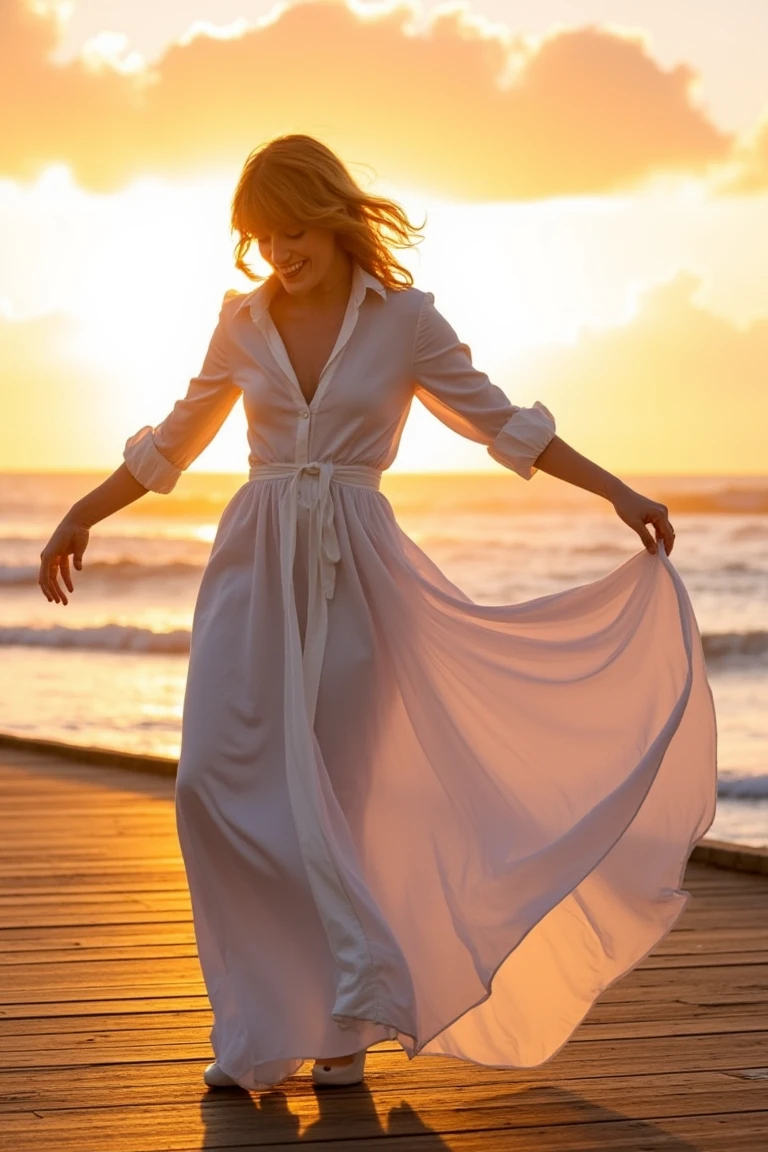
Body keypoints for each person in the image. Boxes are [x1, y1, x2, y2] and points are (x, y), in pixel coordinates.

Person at [38, 134, 716, 1092]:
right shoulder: (240, 321)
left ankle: (346, 1024)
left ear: (333, 213)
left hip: (354, 570)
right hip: (251, 567)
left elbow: (499, 421)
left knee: (341, 796)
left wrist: (619, 493)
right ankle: (259, 1024)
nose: (280, 252)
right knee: (210, 789)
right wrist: (79, 514)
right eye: (262, 237)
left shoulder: (404, 321)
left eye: (294, 230)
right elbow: (172, 443)